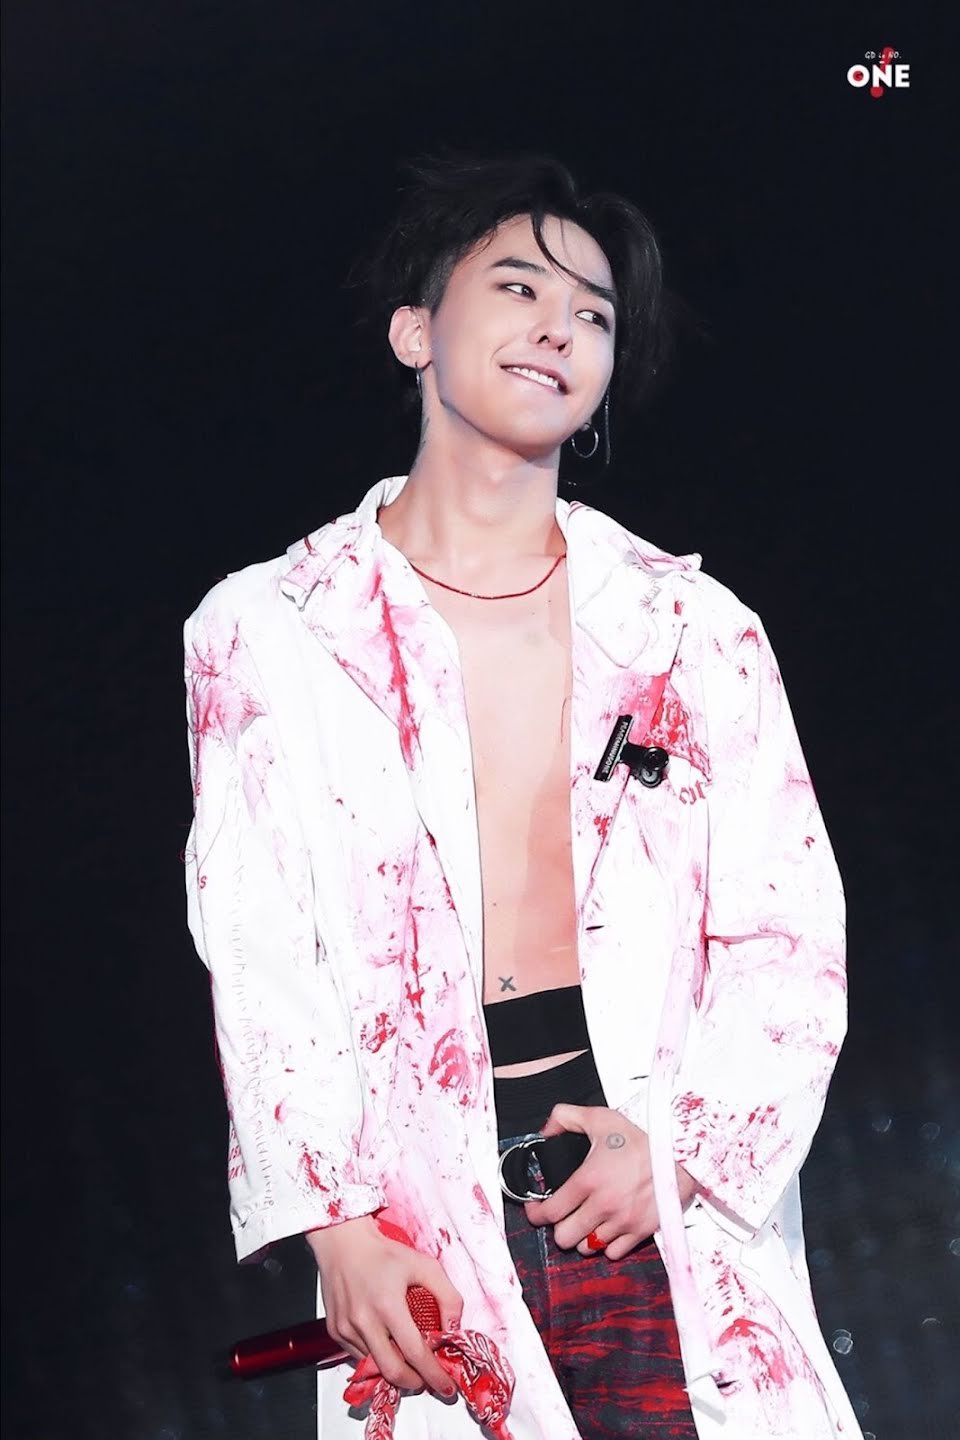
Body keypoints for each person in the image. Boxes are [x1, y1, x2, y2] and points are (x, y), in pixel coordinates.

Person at [182, 151, 863, 1440]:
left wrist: (682, 1154)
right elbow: (263, 954)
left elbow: (789, 938)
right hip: (422, 1232)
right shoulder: (268, 629)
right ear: (415, 332)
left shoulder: (692, 630)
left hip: (644, 1186)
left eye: (593, 315)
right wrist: (336, 1226)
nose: (560, 328)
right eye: (517, 287)